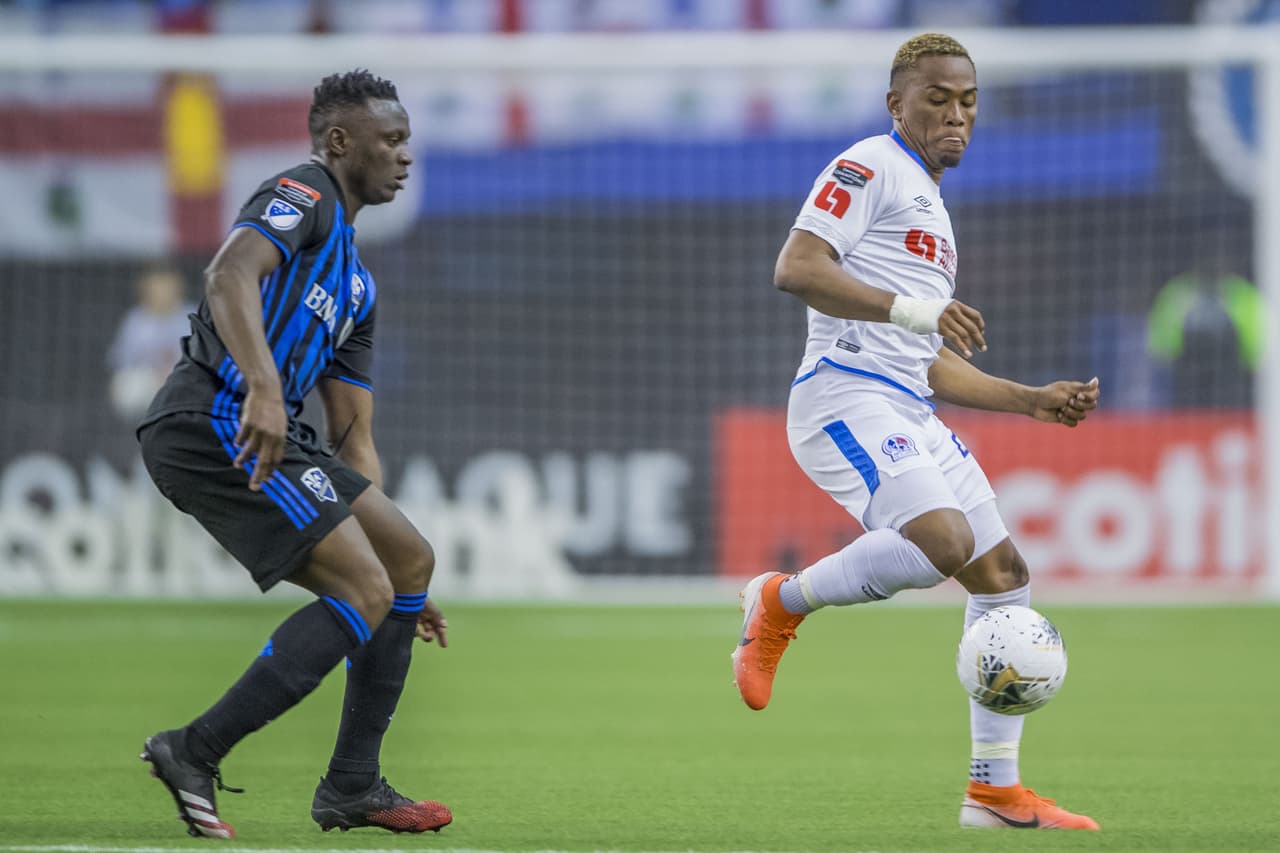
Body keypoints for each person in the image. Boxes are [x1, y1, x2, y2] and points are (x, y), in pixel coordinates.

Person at [731, 34, 1102, 831]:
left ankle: (994, 791)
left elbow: (926, 360)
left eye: (968, 101)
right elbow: (796, 268)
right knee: (941, 538)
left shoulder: (933, 207)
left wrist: (1029, 399)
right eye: (938, 98)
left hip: (906, 403)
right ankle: (779, 601)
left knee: (1004, 574)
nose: (956, 115)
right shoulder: (868, 164)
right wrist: (912, 309)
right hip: (843, 397)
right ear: (897, 101)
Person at [136, 69, 452, 839]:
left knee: (405, 562)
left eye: (408, 139)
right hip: (213, 416)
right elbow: (229, 273)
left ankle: (352, 786)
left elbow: (353, 435)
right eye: (392, 139)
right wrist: (265, 387)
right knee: (367, 586)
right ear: (341, 142)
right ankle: (193, 749)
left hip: (280, 434)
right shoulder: (302, 193)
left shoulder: (357, 285)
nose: (405, 155)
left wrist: (383, 565)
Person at [106, 263, 195, 424]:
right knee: (129, 388)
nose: (162, 292)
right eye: (157, 286)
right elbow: (121, 364)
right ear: (145, 289)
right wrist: (154, 373)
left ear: (178, 287)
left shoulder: (193, 316)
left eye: (167, 286)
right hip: (149, 384)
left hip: (185, 382)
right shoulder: (135, 320)